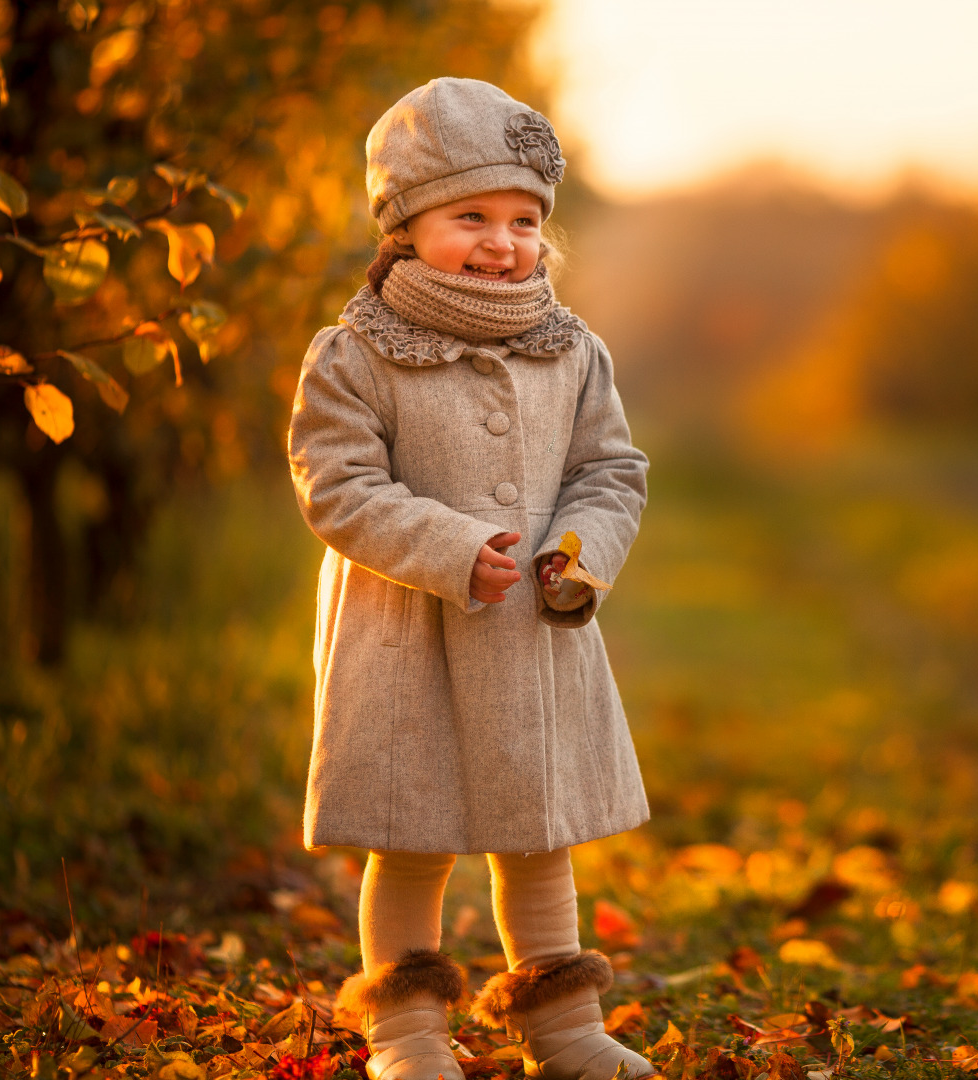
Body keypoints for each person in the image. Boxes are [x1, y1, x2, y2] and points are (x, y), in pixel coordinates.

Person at [286, 78, 652, 1080]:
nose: (501, 242)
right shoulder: (357, 354)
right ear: (403, 228)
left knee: (539, 837)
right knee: (411, 838)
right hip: (406, 632)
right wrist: (448, 547)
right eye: (470, 217)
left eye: (523, 220)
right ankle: (404, 1034)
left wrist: (580, 549)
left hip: (534, 631)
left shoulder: (569, 351)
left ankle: (564, 1029)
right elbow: (338, 485)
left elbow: (609, 471)